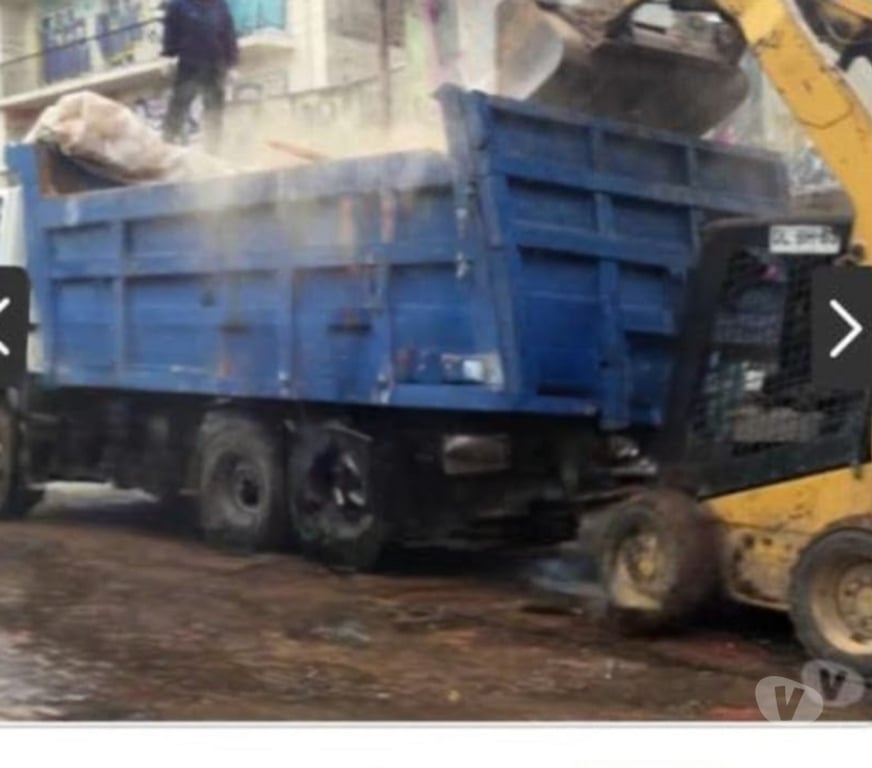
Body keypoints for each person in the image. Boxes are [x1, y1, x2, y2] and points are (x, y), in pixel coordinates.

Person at [161, 0, 239, 153]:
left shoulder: (221, 6)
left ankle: (213, 151)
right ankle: (167, 144)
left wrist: (232, 65)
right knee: (178, 105)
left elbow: (229, 36)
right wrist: (168, 56)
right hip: (188, 64)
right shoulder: (179, 5)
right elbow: (171, 32)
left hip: (215, 65)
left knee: (215, 111)